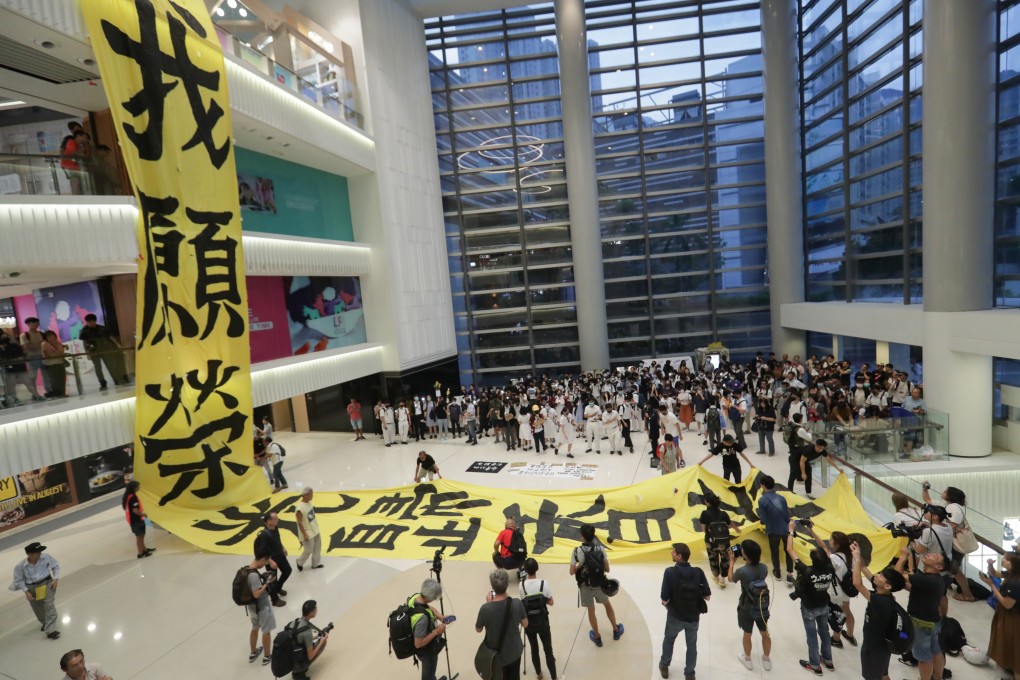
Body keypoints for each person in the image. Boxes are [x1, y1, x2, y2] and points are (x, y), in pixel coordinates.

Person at [849, 541, 906, 680]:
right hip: (883, 646)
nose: (877, 575)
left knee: (872, 677)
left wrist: (856, 559)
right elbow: (864, 568)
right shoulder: (884, 593)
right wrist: (858, 554)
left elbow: (857, 583)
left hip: (874, 647)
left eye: (881, 576)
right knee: (883, 674)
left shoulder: (881, 602)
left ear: (887, 586)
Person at [784, 520, 836, 675]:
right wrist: (811, 530)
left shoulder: (807, 571)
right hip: (823, 605)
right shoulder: (830, 568)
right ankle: (828, 660)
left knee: (812, 635)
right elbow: (825, 548)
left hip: (809, 607)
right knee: (824, 633)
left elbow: (789, 549)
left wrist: (791, 530)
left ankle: (814, 665)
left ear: (812, 560)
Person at [658, 542, 711, 680]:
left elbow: (664, 599)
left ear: (679, 556)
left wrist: (668, 605)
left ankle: (664, 665)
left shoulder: (669, 572)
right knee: (691, 646)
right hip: (693, 618)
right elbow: (707, 596)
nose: (671, 553)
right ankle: (689, 673)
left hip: (675, 616)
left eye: (674, 552)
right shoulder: (698, 572)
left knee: (669, 639)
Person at [895, 548, 948, 680]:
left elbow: (896, 575)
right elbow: (917, 589)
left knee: (924, 657)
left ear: (938, 567)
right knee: (936, 651)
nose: (929, 554)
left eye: (934, 556)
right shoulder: (937, 580)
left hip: (921, 625)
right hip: (934, 622)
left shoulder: (926, 579)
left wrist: (903, 557)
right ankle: (938, 677)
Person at [570, 523, 622, 647]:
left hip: (585, 586)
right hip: (599, 584)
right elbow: (607, 569)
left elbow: (571, 572)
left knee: (591, 610)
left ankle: (597, 636)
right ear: (593, 535)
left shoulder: (577, 551)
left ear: (582, 537)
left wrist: (580, 565)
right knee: (607, 605)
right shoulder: (600, 549)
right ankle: (616, 630)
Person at [922, 483, 976, 601]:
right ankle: (950, 586)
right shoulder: (947, 505)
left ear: (950, 495)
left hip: (956, 546)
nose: (943, 492)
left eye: (945, 491)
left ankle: (967, 595)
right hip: (952, 544)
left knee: (954, 570)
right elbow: (928, 500)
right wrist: (924, 489)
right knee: (950, 568)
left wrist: (936, 531)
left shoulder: (954, 508)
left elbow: (952, 526)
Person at [728, 539, 772, 672]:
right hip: (762, 606)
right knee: (765, 634)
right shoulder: (764, 567)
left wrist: (731, 562)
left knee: (747, 633)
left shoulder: (742, 571)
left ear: (745, 555)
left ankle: (748, 659)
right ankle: (766, 659)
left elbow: (730, 579)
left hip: (746, 606)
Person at [476, 569, 528, 680]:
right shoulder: (516, 603)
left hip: (497, 656)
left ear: (492, 587)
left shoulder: (485, 609)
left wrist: (488, 604)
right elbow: (525, 624)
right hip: (514, 651)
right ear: (507, 584)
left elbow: (478, 629)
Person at [10, 541, 61, 639]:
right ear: (30, 554)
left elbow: (56, 566)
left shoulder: (46, 557)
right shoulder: (20, 566)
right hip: (31, 587)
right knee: (37, 607)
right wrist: (26, 591)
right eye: (38, 552)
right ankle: (45, 622)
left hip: (47, 583)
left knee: (49, 605)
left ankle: (50, 630)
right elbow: (18, 580)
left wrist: (56, 579)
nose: (40, 553)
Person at [981, 552, 1019, 680]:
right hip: (1008, 615)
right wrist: (990, 565)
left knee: (1014, 645)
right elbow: (994, 573)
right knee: (1008, 643)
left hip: (1013, 617)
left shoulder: (1015, 583)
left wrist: (991, 585)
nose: (1003, 560)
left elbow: (1007, 604)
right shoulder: (1011, 574)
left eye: (1007, 560)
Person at [520, 558, 557, 680]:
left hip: (529, 623)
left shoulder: (522, 585)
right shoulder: (543, 583)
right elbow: (551, 602)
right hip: (543, 622)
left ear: (525, 570)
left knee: (534, 649)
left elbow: (523, 602)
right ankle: (554, 677)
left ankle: (539, 674)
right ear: (537, 568)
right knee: (548, 650)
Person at [757, 475, 795, 585]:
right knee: (789, 550)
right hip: (786, 529)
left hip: (773, 530)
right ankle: (790, 574)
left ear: (763, 485)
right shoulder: (782, 498)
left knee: (774, 551)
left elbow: (764, 519)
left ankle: (777, 572)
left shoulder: (762, 500)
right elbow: (786, 514)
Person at [410, 579, 449, 680]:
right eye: (434, 597)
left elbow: (428, 608)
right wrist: (437, 631)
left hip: (422, 644)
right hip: (426, 651)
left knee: (430, 674)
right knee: (428, 675)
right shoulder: (422, 618)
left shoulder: (416, 597)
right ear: (430, 598)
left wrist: (440, 616)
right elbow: (418, 643)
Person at [77, 314, 127, 389]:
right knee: (98, 367)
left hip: (105, 349)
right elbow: (84, 342)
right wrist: (87, 353)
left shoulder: (102, 328)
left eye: (91, 321)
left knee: (111, 365)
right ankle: (103, 383)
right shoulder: (84, 331)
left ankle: (118, 380)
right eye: (88, 322)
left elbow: (110, 337)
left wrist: (118, 344)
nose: (90, 323)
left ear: (95, 321)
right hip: (93, 351)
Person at [245, 551, 276, 665]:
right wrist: (267, 582)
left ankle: (253, 653)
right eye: (265, 562)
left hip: (252, 607)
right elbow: (257, 594)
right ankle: (267, 656)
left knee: (255, 627)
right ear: (262, 559)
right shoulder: (253, 575)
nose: (264, 565)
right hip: (262, 607)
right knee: (266, 631)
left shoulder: (247, 570)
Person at [253, 513, 289, 607]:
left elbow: (278, 540)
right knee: (272, 579)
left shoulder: (275, 528)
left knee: (288, 570)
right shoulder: (264, 535)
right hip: (271, 559)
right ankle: (275, 600)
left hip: (280, 555)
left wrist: (283, 547)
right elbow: (262, 551)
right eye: (275, 518)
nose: (277, 520)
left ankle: (278, 588)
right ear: (268, 521)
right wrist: (270, 561)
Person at [698, 491, 733, 588]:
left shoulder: (704, 513)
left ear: (708, 503)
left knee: (713, 558)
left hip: (711, 541)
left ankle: (716, 577)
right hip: (724, 542)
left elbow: (703, 529)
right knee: (725, 559)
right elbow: (728, 525)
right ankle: (723, 580)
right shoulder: (723, 513)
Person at [288, 600, 329, 680]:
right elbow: (310, 656)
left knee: (313, 642)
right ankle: (300, 671)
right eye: (316, 609)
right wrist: (321, 641)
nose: (317, 610)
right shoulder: (306, 632)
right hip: (296, 665)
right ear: (311, 613)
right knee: (323, 643)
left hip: (288, 661)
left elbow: (297, 638)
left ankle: (297, 669)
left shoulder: (294, 622)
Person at [0, 334, 45, 403]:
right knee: (11, 385)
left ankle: (36, 395)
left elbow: (19, 353)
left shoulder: (14, 346)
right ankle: (14, 398)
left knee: (27, 383)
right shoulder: (5, 348)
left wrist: (11, 357)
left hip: (18, 367)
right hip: (10, 369)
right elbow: (6, 356)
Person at [121, 481, 154, 559]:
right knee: (139, 537)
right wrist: (143, 514)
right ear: (134, 488)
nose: (139, 487)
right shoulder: (133, 498)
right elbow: (135, 510)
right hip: (136, 520)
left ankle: (144, 549)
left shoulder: (128, 496)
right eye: (138, 486)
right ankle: (140, 553)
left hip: (133, 520)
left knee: (141, 536)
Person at [295, 487, 323, 572]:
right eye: (311, 494)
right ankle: (300, 562)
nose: (312, 496)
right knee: (309, 549)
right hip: (307, 531)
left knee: (317, 546)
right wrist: (304, 534)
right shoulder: (299, 509)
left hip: (314, 528)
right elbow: (299, 522)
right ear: (306, 495)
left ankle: (315, 563)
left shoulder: (309, 502)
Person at [19, 317, 48, 395]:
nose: (36, 324)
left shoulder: (41, 334)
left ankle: (49, 391)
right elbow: (26, 346)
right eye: (34, 322)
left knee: (46, 375)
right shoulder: (24, 335)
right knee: (32, 376)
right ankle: (34, 393)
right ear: (28, 324)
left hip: (43, 356)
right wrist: (41, 345)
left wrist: (39, 345)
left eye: (37, 322)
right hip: (31, 357)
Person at [41, 330, 67, 398]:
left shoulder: (58, 343)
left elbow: (61, 353)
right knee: (54, 380)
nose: (51, 338)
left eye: (52, 336)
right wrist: (57, 354)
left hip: (60, 362)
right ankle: (57, 393)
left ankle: (62, 393)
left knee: (62, 379)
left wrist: (56, 353)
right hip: (51, 364)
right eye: (49, 336)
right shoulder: (45, 344)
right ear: (46, 338)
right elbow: (47, 355)